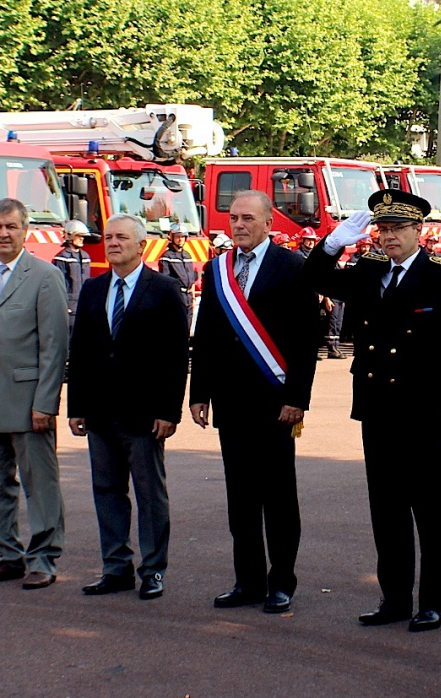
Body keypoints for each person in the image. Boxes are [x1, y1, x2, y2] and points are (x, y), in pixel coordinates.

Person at [305, 189, 441, 632]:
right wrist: (332, 243)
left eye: (398, 228)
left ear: (419, 230)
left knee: (430, 511)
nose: (388, 236)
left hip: (424, 411)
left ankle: (433, 602)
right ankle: (395, 599)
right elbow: (315, 278)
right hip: (378, 408)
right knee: (387, 509)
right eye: (382, 229)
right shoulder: (370, 269)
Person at [189, 190, 319, 614]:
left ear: (268, 223)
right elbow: (206, 335)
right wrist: (199, 393)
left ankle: (281, 582)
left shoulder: (292, 266)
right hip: (231, 402)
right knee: (241, 498)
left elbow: (306, 339)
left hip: (276, 401)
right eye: (233, 218)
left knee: (278, 497)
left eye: (248, 218)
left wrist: (297, 397)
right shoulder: (217, 269)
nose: (239, 225)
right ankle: (247, 581)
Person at [68, 214, 190, 601]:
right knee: (107, 491)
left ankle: (153, 570)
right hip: (100, 412)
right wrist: (76, 406)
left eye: (121, 237)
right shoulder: (93, 289)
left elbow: (176, 355)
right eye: (108, 237)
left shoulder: (165, 289)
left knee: (150, 495)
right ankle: (115, 568)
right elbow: (81, 350)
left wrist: (169, 411)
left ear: (141, 245)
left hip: (144, 414)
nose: (113, 243)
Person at [0, 198, 70, 590]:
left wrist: (45, 403)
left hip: (28, 403)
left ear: (25, 230)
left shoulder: (45, 276)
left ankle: (43, 559)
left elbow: (54, 346)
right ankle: (6, 555)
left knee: (40, 485)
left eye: (11, 226)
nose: (3, 234)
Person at [53, 220, 92, 333]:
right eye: (79, 236)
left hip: (84, 305)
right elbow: (58, 285)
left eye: (83, 236)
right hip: (70, 307)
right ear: (70, 236)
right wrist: (64, 305)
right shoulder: (61, 258)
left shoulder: (85, 257)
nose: (82, 239)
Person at [158, 227, 198, 331]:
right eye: (177, 237)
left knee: (187, 329)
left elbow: (192, 279)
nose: (180, 239)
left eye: (182, 237)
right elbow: (165, 281)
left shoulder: (187, 256)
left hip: (188, 298)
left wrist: (193, 298)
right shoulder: (166, 256)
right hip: (176, 297)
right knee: (176, 330)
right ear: (172, 238)